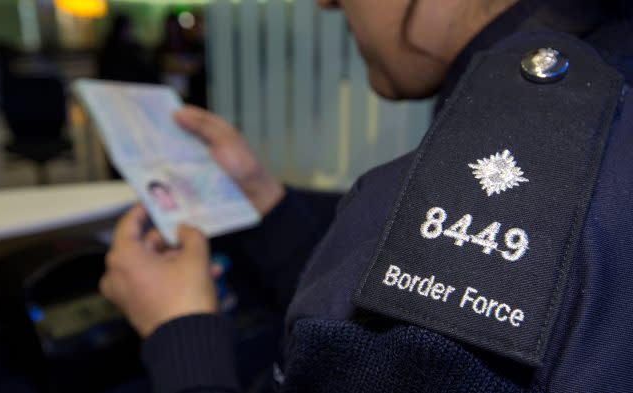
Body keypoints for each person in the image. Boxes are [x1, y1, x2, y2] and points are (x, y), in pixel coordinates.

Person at [100, 0, 633, 392]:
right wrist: (264, 202)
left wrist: (179, 330)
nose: (327, 3)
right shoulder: (604, 81)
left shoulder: (515, 149)